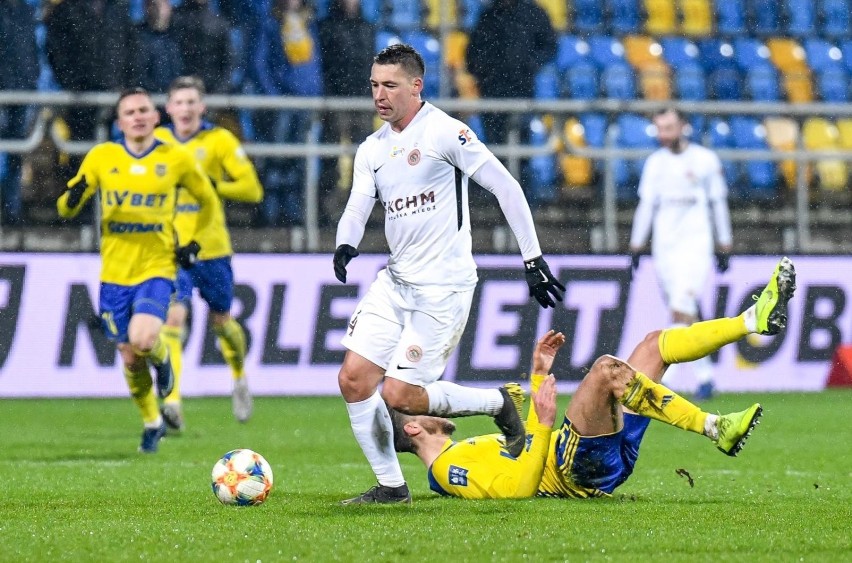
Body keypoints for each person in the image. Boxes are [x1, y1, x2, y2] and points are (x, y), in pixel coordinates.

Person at [333, 44, 566, 505]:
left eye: (390, 86)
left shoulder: (445, 132)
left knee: (400, 394)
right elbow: (360, 203)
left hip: (443, 288)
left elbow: (505, 185)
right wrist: (346, 242)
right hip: (395, 281)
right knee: (353, 380)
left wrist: (533, 258)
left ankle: (498, 403)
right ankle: (391, 487)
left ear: (416, 86)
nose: (379, 95)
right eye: (374, 85)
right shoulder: (372, 148)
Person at [393, 257, 796, 499]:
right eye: (422, 404)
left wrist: (537, 378)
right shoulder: (448, 470)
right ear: (413, 426)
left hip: (593, 455)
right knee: (606, 370)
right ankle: (714, 427)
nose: (435, 402)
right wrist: (545, 420)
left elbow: (527, 443)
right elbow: (518, 488)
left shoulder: (464, 450)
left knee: (654, 345)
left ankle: (751, 320)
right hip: (576, 471)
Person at [56, 87, 218, 453]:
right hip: (114, 274)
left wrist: (191, 241)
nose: (138, 116)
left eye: (144, 109)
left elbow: (207, 200)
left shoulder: (175, 158)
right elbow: (66, 209)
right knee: (129, 356)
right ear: (120, 123)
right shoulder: (102, 157)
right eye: (129, 112)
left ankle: (163, 364)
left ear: (156, 116)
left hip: (157, 266)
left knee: (144, 340)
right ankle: (152, 421)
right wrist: (76, 193)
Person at [152, 76, 264, 429]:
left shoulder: (219, 140)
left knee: (221, 322)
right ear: (168, 108)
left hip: (213, 247)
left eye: (191, 102)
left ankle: (239, 376)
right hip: (172, 248)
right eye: (178, 103)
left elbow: (253, 189)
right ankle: (172, 402)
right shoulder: (157, 142)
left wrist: (216, 185)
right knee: (174, 318)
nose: (185, 109)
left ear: (202, 107)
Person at [629, 107, 734, 401]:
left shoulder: (705, 160)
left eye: (669, 128)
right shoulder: (655, 164)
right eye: (660, 129)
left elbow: (718, 204)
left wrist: (724, 243)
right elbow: (646, 206)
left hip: (696, 246)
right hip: (665, 249)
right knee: (685, 316)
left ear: (683, 126)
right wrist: (637, 246)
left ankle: (661, 381)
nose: (665, 135)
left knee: (681, 308)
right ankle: (706, 378)